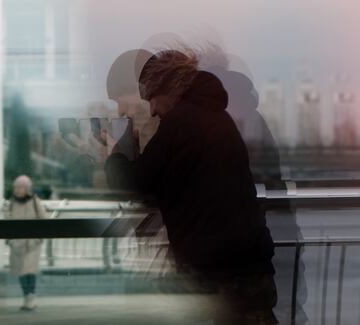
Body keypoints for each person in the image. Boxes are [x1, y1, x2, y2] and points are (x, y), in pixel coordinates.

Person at [105, 49, 278, 324]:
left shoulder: (180, 122)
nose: (151, 109)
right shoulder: (217, 118)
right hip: (250, 264)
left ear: (168, 89)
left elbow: (136, 183)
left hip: (213, 269)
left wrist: (113, 157)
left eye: (152, 98)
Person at [2, 174, 48, 311]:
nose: (18, 190)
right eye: (16, 187)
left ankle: (30, 297)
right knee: (21, 272)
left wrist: (38, 239)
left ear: (27, 188)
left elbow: (43, 219)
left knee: (30, 271)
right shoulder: (11, 203)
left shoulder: (34, 201)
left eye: (21, 187)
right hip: (17, 244)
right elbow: (7, 223)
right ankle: (27, 297)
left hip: (32, 244)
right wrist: (9, 240)